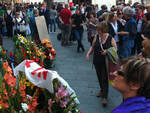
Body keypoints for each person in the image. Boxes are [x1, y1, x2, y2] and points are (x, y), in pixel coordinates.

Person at [86, 21, 117, 106]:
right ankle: (102, 90)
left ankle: (104, 97)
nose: (97, 31)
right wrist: (88, 54)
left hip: (106, 62)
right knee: (99, 77)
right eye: (97, 29)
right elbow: (92, 47)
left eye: (99, 30)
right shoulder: (96, 36)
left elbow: (115, 49)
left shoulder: (110, 38)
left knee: (104, 78)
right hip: (97, 61)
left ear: (103, 29)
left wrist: (107, 51)